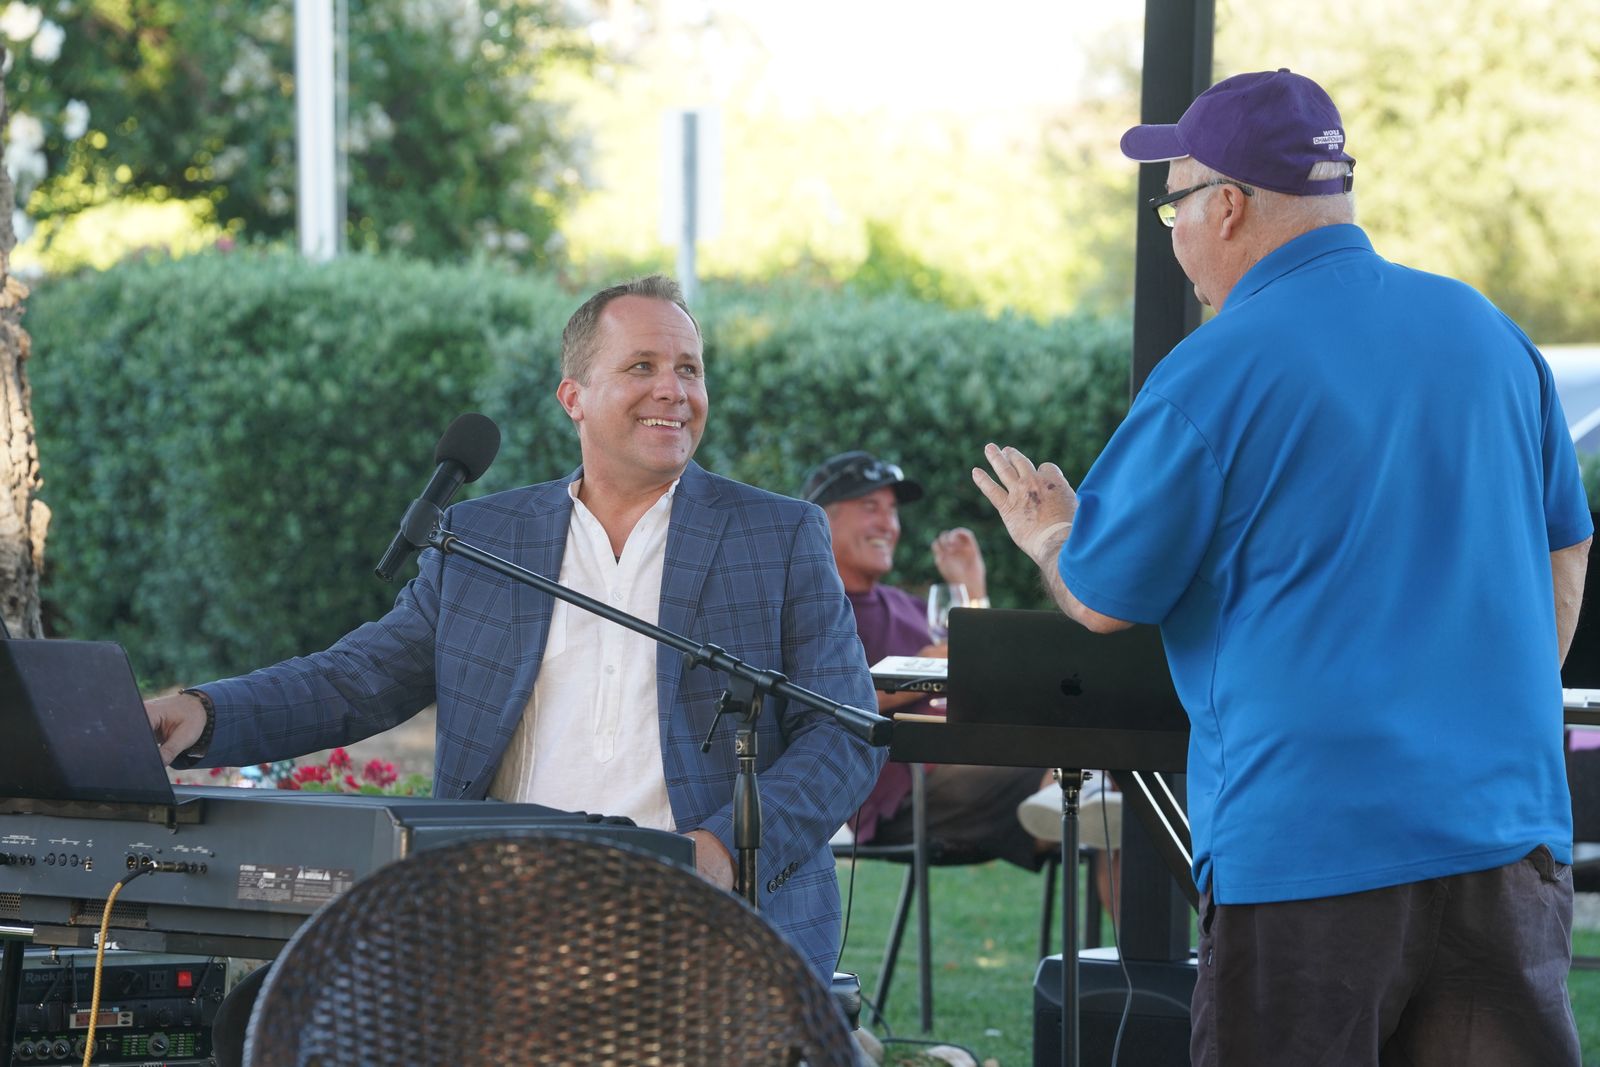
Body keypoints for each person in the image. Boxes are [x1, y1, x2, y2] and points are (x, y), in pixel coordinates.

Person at [972, 69, 1592, 1067]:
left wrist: (1049, 533)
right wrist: (1497, 706)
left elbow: (1101, 596)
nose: (1173, 231)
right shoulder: (1487, 331)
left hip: (1313, 849)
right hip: (1506, 838)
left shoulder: (1216, 368)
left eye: (1173, 204)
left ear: (1227, 206)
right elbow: (1567, 542)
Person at [144, 275, 885, 988]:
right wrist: (205, 713)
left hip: (709, 928)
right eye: (642, 367)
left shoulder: (778, 535)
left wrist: (722, 850)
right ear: (574, 398)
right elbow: (356, 679)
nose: (674, 389)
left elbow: (846, 733)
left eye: (689, 369)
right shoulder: (484, 537)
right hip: (504, 922)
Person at [800, 449, 1054, 871]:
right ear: (821, 520)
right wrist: (921, 669)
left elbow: (987, 678)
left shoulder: (909, 607)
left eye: (892, 511)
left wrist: (972, 588)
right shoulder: (810, 609)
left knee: (1123, 793)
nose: (889, 525)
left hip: (975, 762)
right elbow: (817, 703)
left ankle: (1083, 803)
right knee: (1093, 786)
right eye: (870, 507)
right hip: (899, 792)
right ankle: (1074, 796)